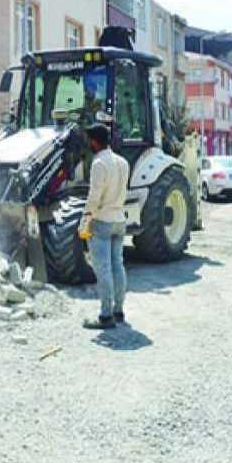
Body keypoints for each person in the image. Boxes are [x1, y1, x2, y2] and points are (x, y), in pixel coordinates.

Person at [78, 123, 131, 330]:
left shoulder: (99, 163)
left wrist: (85, 219)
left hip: (102, 221)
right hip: (119, 219)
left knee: (103, 270)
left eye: (89, 140)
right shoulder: (123, 162)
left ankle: (105, 316)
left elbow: (94, 196)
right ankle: (118, 311)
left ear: (94, 141)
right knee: (118, 265)